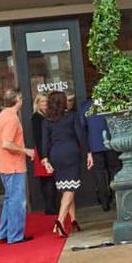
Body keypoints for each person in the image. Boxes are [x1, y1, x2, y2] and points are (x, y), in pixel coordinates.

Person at [42, 90, 93, 237]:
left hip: (56, 154)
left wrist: (45, 159)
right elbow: (80, 136)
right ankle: (60, 220)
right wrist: (88, 152)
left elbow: (44, 141)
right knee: (70, 188)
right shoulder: (72, 117)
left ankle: (74, 219)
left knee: (66, 187)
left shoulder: (47, 120)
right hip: (70, 152)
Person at [0, 88, 34, 244]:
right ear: (17, 100)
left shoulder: (2, 116)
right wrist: (26, 150)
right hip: (14, 165)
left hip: (4, 164)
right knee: (17, 201)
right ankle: (15, 235)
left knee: (9, 199)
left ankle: (4, 232)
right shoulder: (12, 118)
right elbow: (7, 143)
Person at [80, 95, 121, 212]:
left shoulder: (86, 106)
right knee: (114, 170)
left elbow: (82, 125)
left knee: (99, 173)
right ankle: (117, 198)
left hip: (95, 144)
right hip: (111, 141)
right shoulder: (109, 104)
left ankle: (104, 202)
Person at [30, 93, 57, 215]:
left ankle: (52, 205)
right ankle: (50, 207)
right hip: (42, 151)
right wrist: (42, 156)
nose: (45, 104)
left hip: (50, 150)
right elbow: (37, 137)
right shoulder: (36, 117)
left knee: (51, 179)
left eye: (46, 101)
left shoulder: (49, 115)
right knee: (47, 180)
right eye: (42, 101)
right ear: (37, 103)